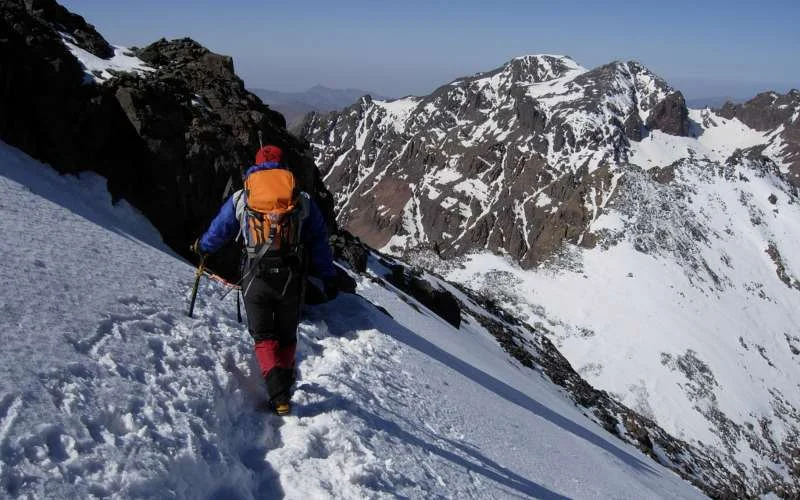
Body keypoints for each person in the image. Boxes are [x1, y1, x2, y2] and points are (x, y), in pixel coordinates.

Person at [192, 144, 338, 416]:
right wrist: (328, 277)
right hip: (291, 277)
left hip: (255, 275)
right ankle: (285, 380)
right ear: (284, 166)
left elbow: (220, 230)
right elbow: (319, 242)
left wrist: (203, 247)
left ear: (256, 166)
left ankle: (278, 396)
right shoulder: (301, 199)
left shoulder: (243, 197)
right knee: (286, 334)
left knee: (263, 335)